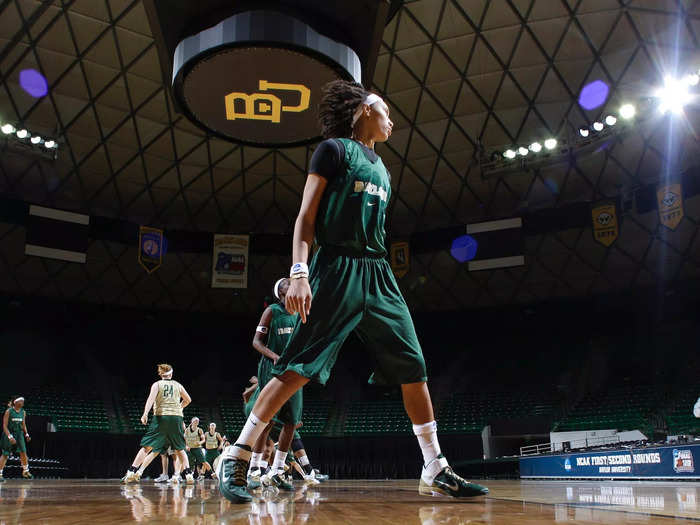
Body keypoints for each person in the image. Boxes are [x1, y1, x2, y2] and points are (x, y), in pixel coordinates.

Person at [218, 80, 489, 503]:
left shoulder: (382, 168)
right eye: (385, 110)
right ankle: (236, 456)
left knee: (413, 364)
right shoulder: (333, 151)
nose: (392, 120)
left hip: (378, 272)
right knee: (297, 366)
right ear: (364, 109)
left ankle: (435, 466)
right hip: (337, 267)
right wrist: (300, 272)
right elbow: (306, 217)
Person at [122, 363, 194, 484]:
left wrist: (145, 413)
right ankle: (188, 474)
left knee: (147, 446)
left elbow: (150, 399)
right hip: (176, 418)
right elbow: (188, 400)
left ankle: (132, 471)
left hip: (161, 417)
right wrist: (179, 408)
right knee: (180, 448)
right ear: (171, 373)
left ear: (161, 374)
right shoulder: (178, 385)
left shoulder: (157, 384)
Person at [0, 397, 33, 481]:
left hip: (19, 434)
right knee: (5, 454)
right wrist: (10, 436)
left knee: (23, 452)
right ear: (15, 402)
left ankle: (25, 471)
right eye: (21, 401)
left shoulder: (23, 412)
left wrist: (26, 434)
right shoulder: (9, 411)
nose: (23, 402)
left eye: (23, 401)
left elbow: (23, 424)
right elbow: (4, 426)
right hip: (9, 434)